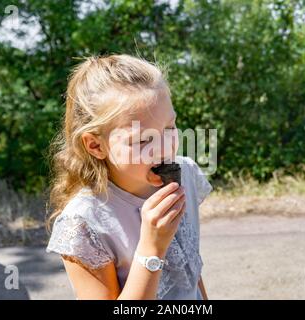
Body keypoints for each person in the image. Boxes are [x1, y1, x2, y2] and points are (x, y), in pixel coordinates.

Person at [46, 54, 212, 300]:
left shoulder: (184, 173)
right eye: (143, 140)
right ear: (95, 145)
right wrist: (152, 248)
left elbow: (191, 275)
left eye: (169, 128)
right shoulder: (84, 223)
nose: (165, 148)